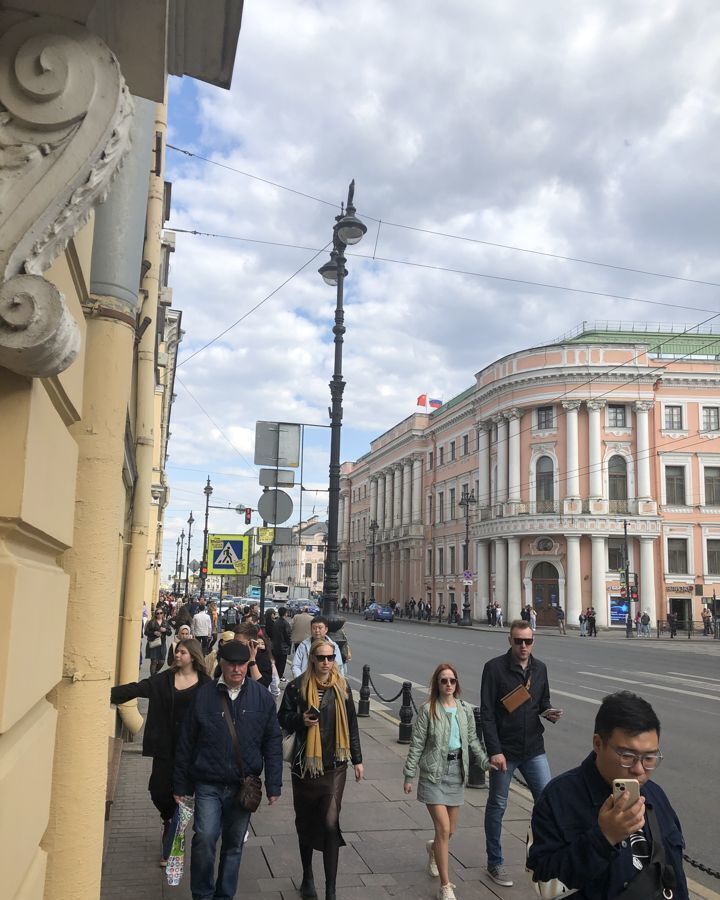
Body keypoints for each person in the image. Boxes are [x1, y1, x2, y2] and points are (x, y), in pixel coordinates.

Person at [527, 691, 688, 900]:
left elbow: (675, 876)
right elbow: (543, 884)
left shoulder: (655, 795)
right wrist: (604, 838)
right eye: (627, 756)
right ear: (598, 744)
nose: (639, 769)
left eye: (649, 757)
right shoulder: (558, 798)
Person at [173, 640, 282, 900]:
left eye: (242, 664)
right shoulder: (204, 695)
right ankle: (202, 894)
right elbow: (186, 741)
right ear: (221, 664)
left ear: (247, 665)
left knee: (233, 846)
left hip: (243, 785)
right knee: (205, 838)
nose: (237, 669)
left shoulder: (262, 697)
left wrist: (274, 784)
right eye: (231, 664)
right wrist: (180, 784)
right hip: (208, 782)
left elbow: (273, 742)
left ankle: (224, 895)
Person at [111, 638, 210, 864]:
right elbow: (139, 688)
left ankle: (173, 838)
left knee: (181, 793)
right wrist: (106, 693)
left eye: (183, 652)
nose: (177, 655)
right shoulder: (164, 679)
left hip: (192, 747)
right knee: (158, 790)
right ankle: (169, 819)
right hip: (164, 745)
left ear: (193, 656)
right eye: (177, 651)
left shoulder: (205, 684)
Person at [278, 638, 363, 900]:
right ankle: (307, 876)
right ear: (312, 659)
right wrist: (300, 720)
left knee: (329, 823)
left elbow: (351, 725)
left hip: (335, 766)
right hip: (305, 766)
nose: (326, 662)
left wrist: (357, 759)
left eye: (331, 657)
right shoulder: (296, 688)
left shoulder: (343, 687)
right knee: (305, 822)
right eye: (321, 657)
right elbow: (282, 718)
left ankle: (331, 891)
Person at [480, 619, 562, 887]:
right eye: (519, 641)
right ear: (510, 641)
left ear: (533, 641)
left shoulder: (540, 669)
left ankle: (543, 859)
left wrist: (549, 713)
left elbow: (542, 701)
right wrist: (495, 751)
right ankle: (495, 862)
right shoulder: (494, 669)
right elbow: (488, 715)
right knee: (497, 806)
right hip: (506, 751)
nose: (524, 646)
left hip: (534, 748)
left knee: (547, 805)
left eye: (528, 641)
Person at [403, 663, 491, 900]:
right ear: (437, 684)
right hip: (434, 773)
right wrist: (409, 774)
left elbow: (472, 741)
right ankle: (446, 885)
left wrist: (485, 763)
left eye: (452, 680)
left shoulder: (464, 710)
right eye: (444, 681)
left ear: (457, 684)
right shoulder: (428, 709)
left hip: (456, 773)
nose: (448, 685)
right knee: (443, 828)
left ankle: (433, 849)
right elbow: (417, 744)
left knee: (449, 831)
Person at [234, 622, 273, 687]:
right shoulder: (233, 654)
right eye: (234, 642)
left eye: (240, 643)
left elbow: (262, 685)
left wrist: (252, 661)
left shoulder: (262, 658)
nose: (235, 646)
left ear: (251, 643)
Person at [145, 607, 171, 675]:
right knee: (154, 661)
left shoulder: (165, 622)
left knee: (162, 661)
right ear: (155, 614)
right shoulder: (151, 622)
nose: (159, 614)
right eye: (157, 613)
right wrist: (154, 633)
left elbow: (170, 633)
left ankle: (155, 672)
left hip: (162, 644)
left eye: (161, 613)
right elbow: (146, 632)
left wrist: (165, 630)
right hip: (154, 643)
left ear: (163, 614)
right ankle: (152, 677)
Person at [272, 606, 292, 682]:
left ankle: (276, 675)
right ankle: (280, 676)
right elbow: (287, 635)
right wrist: (289, 643)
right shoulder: (285, 623)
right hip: (283, 646)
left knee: (277, 661)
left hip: (276, 644)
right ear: (285, 613)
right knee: (282, 662)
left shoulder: (276, 622)